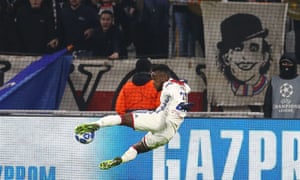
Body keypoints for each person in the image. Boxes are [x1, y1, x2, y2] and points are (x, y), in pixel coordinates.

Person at [75, 64, 192, 170]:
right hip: (168, 133)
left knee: (122, 119)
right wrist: (182, 103)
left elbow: (174, 94)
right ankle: (121, 159)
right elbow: (185, 89)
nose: (153, 82)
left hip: (159, 119)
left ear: (163, 77)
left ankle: (96, 125)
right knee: (137, 148)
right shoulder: (181, 85)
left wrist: (178, 107)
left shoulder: (168, 85)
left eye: (154, 78)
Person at [217, 13, 272, 96]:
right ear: (226, 58)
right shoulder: (221, 92)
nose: (245, 56)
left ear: (264, 57)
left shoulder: (271, 90)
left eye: (253, 48)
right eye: (237, 49)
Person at [263, 53, 300, 118]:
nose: (286, 65)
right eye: (284, 63)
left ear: (294, 65)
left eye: (289, 63)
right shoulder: (274, 81)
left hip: (297, 124)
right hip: (277, 124)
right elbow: (267, 105)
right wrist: (268, 121)